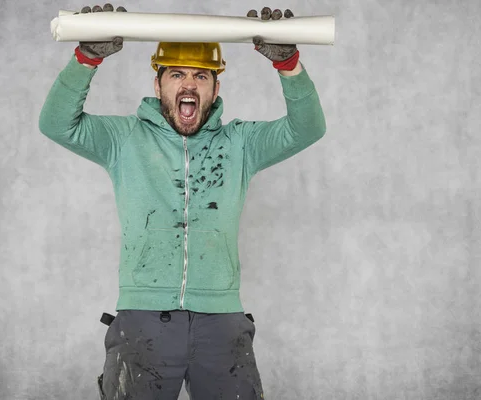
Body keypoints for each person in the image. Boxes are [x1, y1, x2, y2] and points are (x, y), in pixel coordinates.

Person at [39, 4, 326, 399]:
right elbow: (56, 123)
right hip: (143, 322)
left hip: (221, 324)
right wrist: (87, 58)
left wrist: (289, 64)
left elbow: (307, 128)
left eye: (201, 75)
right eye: (176, 74)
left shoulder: (240, 143)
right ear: (158, 86)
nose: (188, 84)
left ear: (215, 88)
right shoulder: (124, 139)